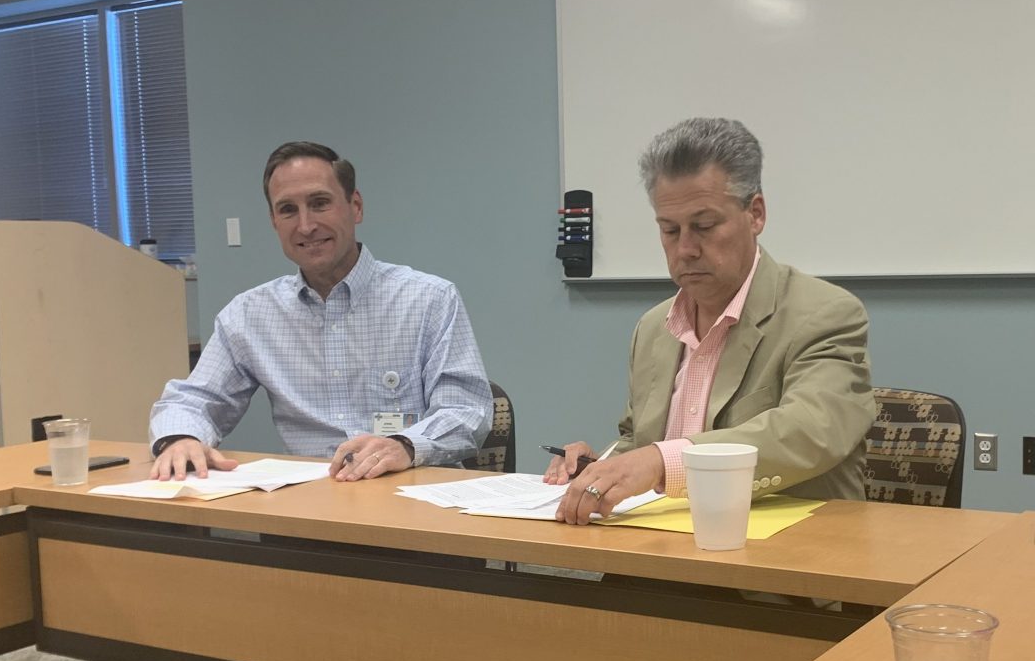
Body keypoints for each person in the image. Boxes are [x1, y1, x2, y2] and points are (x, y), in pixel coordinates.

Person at [548, 117, 875, 525]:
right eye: (669, 230)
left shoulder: (825, 313)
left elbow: (809, 431)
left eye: (704, 227)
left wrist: (656, 462)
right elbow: (641, 443)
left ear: (755, 214)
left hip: (772, 573)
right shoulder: (653, 327)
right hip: (658, 557)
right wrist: (599, 468)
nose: (685, 249)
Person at [149, 139, 492, 482]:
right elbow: (193, 400)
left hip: (411, 502)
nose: (306, 225)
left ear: (355, 206)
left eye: (319, 203)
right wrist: (181, 438)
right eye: (287, 210)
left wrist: (405, 445)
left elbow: (466, 411)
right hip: (311, 507)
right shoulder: (249, 315)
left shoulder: (428, 299)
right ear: (273, 221)